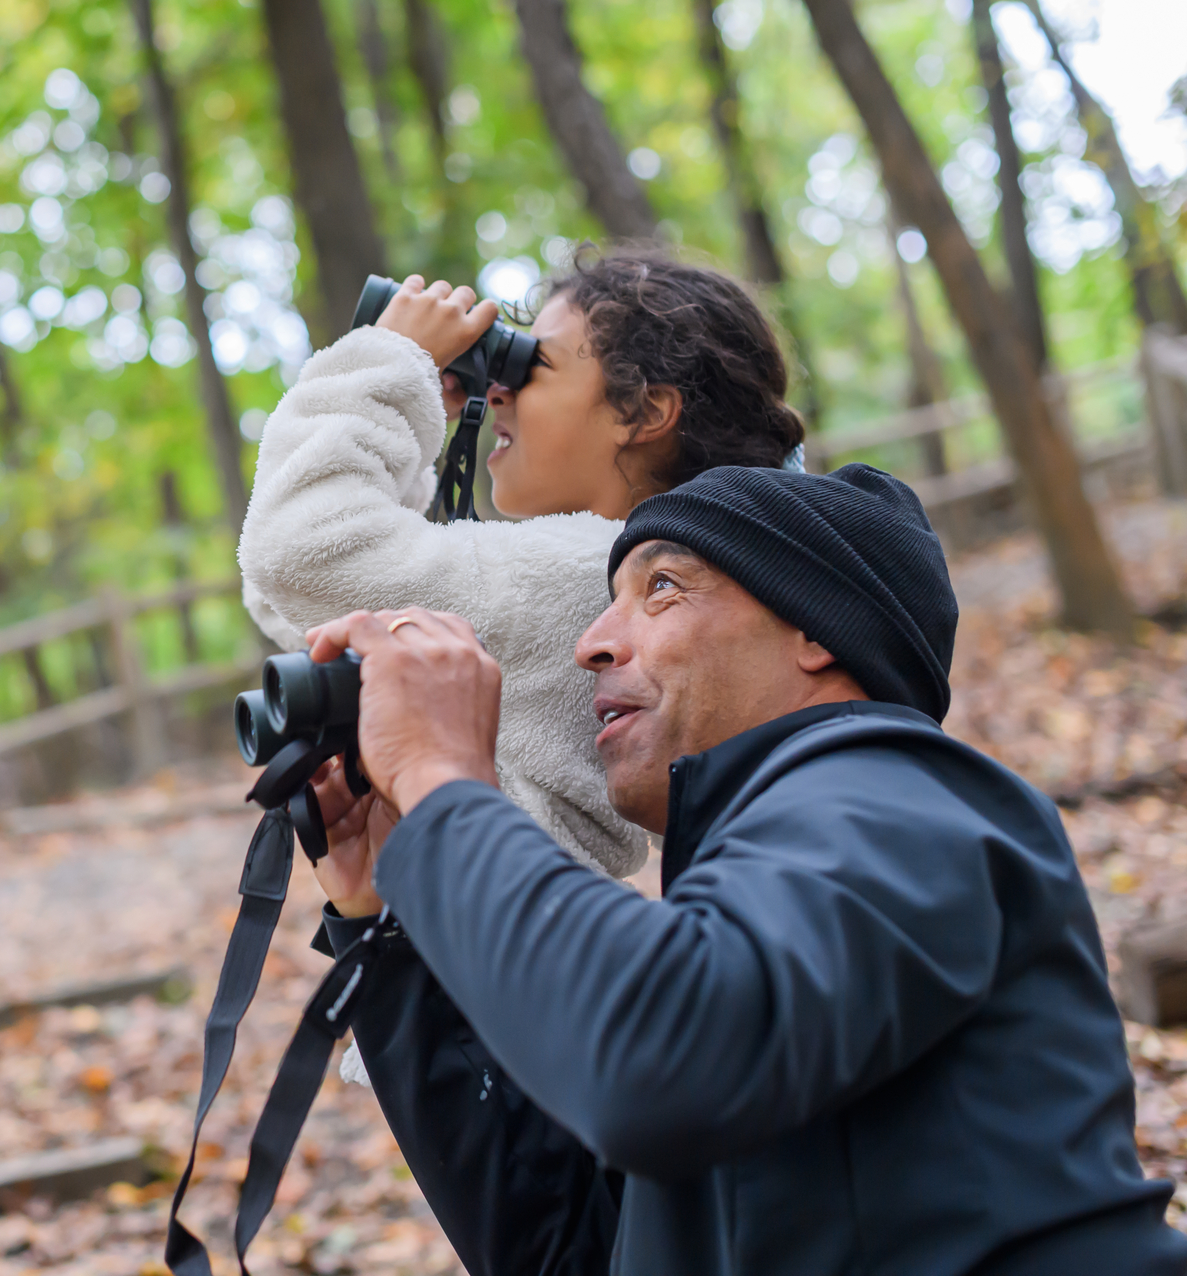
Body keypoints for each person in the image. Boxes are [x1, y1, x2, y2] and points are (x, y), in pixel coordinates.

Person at [301, 464, 1187, 1275]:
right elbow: (571, 1249)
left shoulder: (897, 792)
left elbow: (657, 1056)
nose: (593, 643)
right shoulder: (760, 890)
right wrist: (388, 915)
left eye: (661, 588)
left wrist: (441, 780)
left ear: (814, 628)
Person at [238, 250, 805, 882]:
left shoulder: (585, 572)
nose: (497, 390)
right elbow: (299, 592)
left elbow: (299, 553)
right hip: (516, 923)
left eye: (534, 367)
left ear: (641, 413)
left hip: (501, 927)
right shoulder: (655, 576)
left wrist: (395, 366)